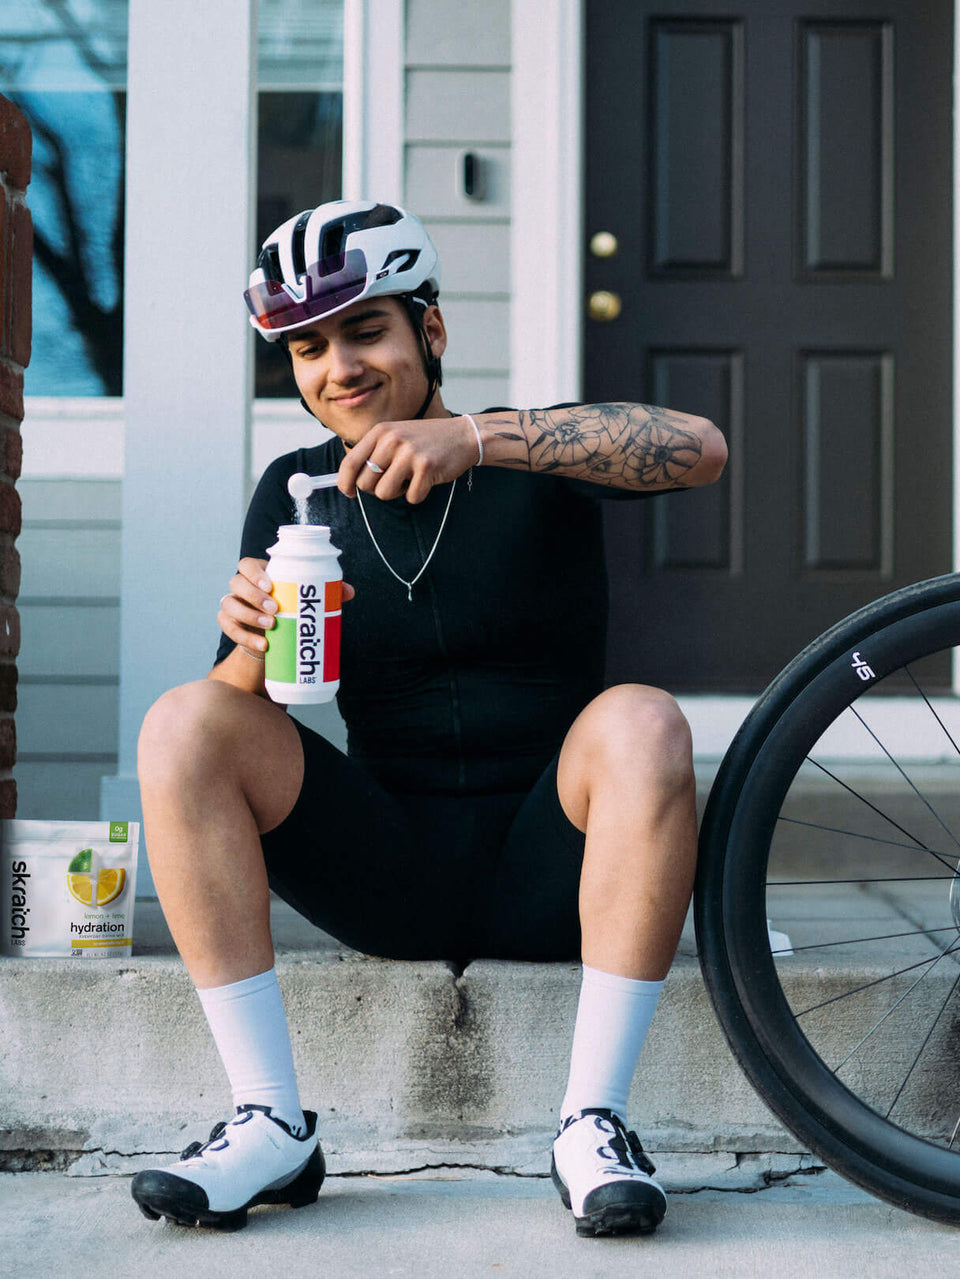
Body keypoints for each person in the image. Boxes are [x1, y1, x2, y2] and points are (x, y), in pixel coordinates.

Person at [128, 200, 726, 1236]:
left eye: (366, 331)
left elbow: (701, 447)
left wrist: (479, 439)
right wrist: (248, 642)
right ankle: (270, 1121)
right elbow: (229, 732)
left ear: (431, 330)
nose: (339, 368)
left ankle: (593, 1123)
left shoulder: (532, 456)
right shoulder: (297, 490)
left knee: (643, 718)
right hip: (388, 865)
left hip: (555, 863)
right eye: (309, 348)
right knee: (182, 721)